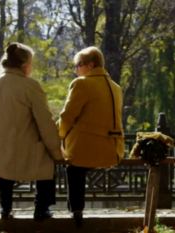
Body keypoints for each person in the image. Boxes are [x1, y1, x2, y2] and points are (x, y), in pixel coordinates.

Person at [0, 42, 63, 221]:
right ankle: (41, 209)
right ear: (24, 66)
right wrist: (56, 152)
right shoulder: (30, 86)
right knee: (47, 161)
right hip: (21, 151)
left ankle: (5, 209)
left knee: (2, 166)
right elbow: (45, 122)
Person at [56, 46, 125, 227]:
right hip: (113, 150)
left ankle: (76, 211)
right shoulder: (116, 87)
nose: (75, 70)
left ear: (90, 65)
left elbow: (67, 117)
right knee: (77, 166)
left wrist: (58, 136)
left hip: (86, 150)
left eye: (78, 65)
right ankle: (76, 212)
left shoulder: (82, 84)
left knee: (73, 167)